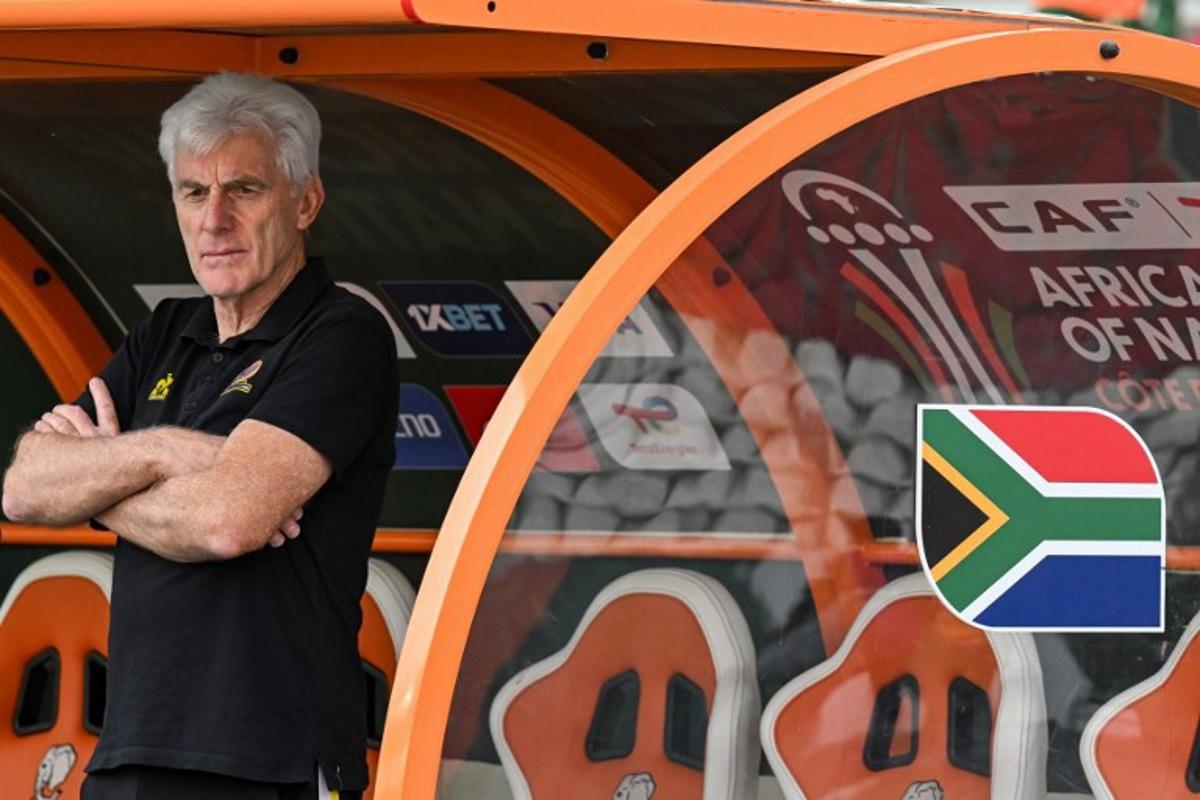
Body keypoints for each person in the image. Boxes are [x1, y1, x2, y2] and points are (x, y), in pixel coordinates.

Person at [1, 72, 398, 800]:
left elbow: (226, 522)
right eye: (193, 192)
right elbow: (24, 488)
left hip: (272, 760)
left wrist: (100, 477)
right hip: (130, 753)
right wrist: (161, 451)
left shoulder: (342, 333)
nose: (214, 219)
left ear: (305, 202)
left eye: (244, 190)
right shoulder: (164, 333)